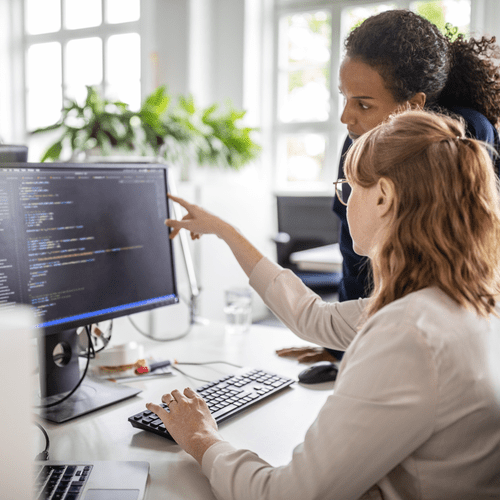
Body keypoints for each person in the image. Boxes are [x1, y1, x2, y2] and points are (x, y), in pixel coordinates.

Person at [146, 110, 500, 500]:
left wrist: (200, 438)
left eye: (348, 190)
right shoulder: (459, 299)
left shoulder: (409, 332)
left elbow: (287, 495)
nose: (344, 206)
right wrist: (228, 233)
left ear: (383, 196)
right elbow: (313, 316)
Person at [277, 8, 500, 365]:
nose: (346, 117)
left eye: (363, 103)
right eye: (344, 97)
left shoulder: (465, 137)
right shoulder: (358, 142)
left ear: (413, 105)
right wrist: (341, 348)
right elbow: (354, 258)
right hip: (390, 335)